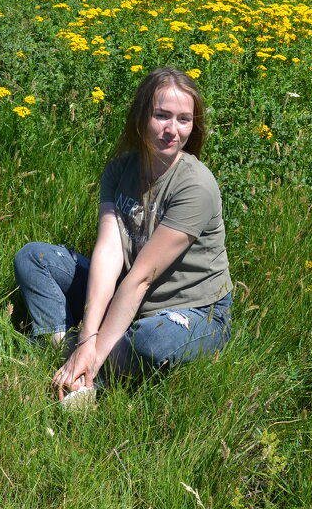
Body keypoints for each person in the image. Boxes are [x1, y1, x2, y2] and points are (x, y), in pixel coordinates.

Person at [12, 67, 233, 400]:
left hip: (191, 311)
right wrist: (88, 340)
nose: (173, 130)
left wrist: (94, 352)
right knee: (34, 257)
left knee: (152, 342)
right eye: (162, 116)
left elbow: (141, 277)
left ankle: (80, 366)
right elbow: (109, 253)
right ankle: (75, 356)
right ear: (141, 116)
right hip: (127, 294)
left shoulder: (196, 185)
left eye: (184, 120)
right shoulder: (119, 170)